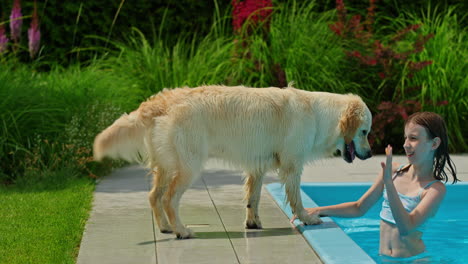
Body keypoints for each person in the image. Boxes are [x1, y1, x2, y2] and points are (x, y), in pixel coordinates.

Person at [291, 111, 458, 259]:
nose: (406, 144)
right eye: (405, 137)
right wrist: (319, 210)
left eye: (413, 138)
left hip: (413, 260)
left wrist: (389, 185)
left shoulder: (434, 190)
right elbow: (359, 207)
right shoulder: (393, 171)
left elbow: (407, 227)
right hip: (384, 259)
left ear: (434, 144)